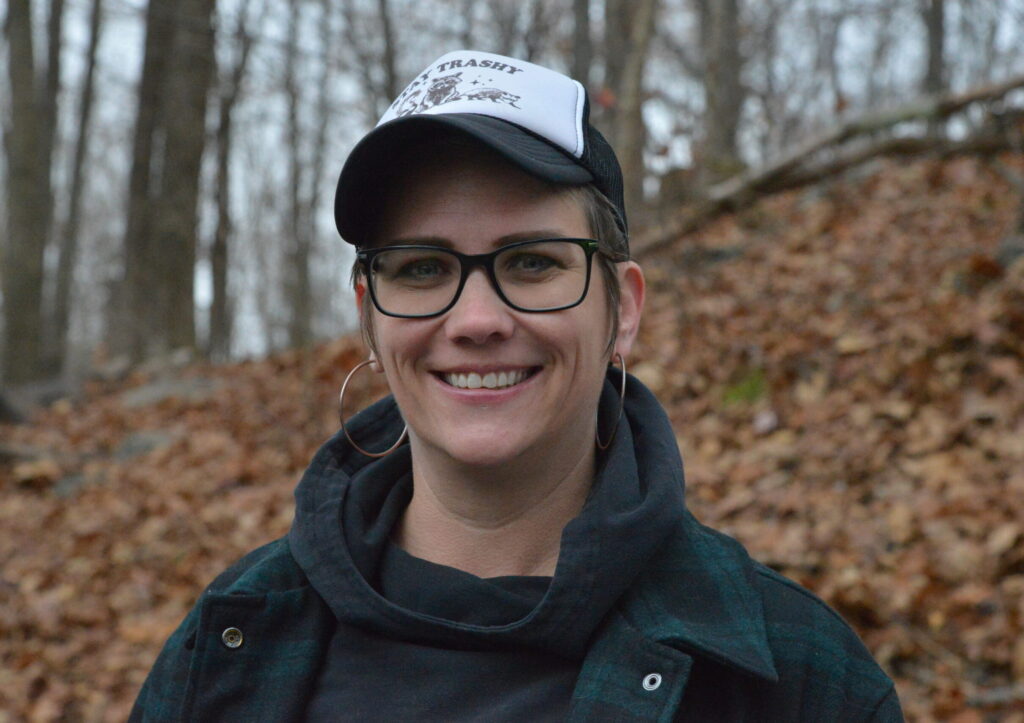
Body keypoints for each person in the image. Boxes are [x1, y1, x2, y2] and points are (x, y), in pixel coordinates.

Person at [131, 50, 902, 721]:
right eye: (422, 267)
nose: (476, 320)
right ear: (370, 315)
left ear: (623, 309)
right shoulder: (229, 643)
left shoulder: (796, 675)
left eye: (532, 261)